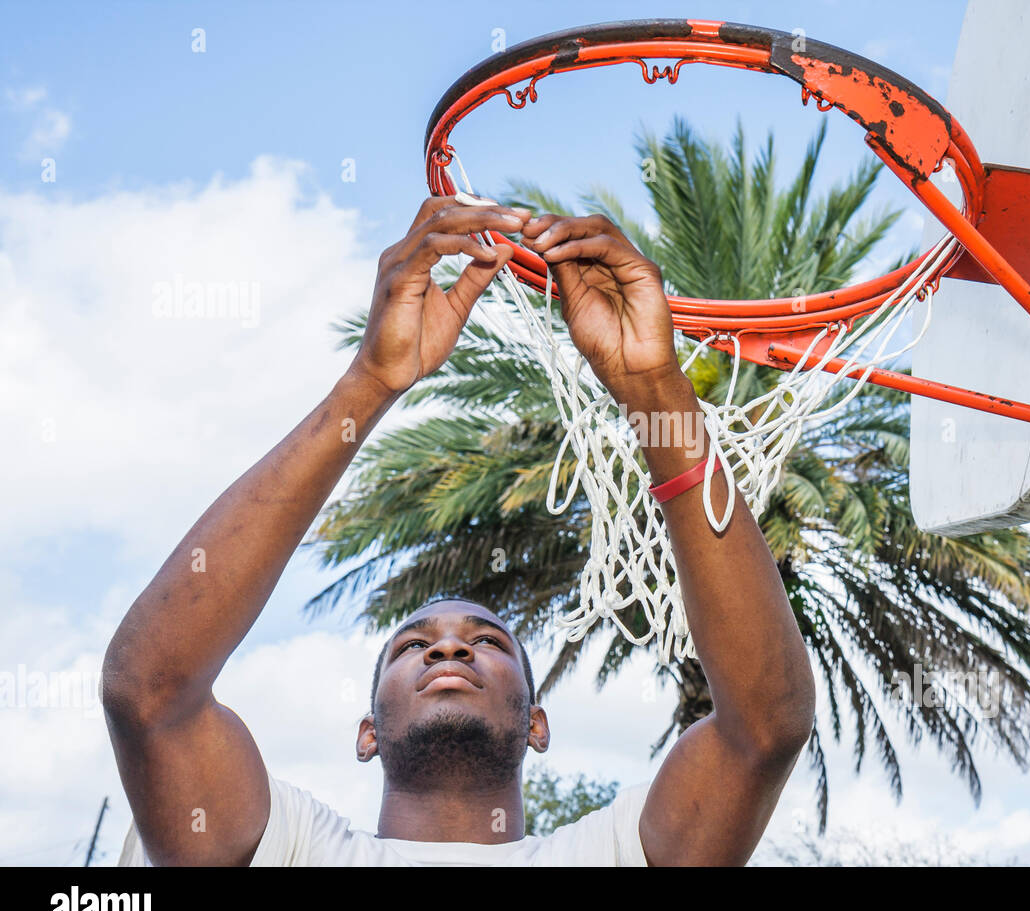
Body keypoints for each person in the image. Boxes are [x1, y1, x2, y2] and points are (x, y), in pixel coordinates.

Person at [104, 197, 816, 866]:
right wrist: (372, 381)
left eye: (487, 641)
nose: (448, 644)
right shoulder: (294, 847)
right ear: (366, 733)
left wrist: (655, 389)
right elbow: (150, 693)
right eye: (412, 645)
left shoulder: (606, 853)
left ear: (537, 725)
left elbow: (763, 728)